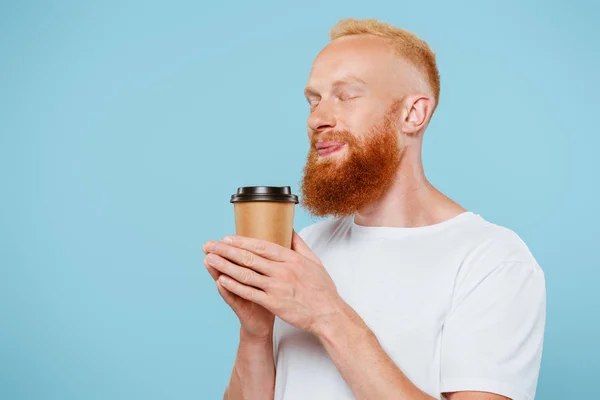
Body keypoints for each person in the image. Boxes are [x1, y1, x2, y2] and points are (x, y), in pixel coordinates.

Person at [202, 18, 546, 400]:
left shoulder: (491, 261)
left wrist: (327, 314)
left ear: (413, 114)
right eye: (313, 101)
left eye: (346, 96)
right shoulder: (306, 249)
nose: (318, 118)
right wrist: (256, 331)